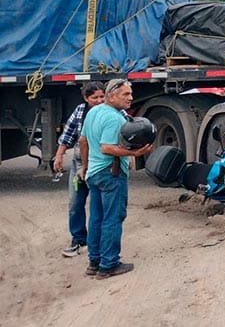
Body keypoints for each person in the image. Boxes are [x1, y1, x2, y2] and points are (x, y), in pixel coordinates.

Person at [82, 79, 152, 279]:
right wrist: (135, 154)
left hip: (94, 173)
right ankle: (109, 264)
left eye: (131, 94)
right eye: (126, 94)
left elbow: (83, 140)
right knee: (113, 218)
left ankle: (94, 262)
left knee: (96, 218)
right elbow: (107, 147)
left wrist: (85, 167)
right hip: (110, 173)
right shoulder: (114, 118)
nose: (131, 98)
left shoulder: (93, 112)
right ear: (111, 96)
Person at [53, 82, 105, 257]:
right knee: (75, 204)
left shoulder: (111, 112)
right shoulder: (80, 111)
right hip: (79, 165)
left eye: (101, 97)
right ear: (86, 98)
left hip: (99, 166)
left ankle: (98, 243)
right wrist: (59, 155)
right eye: (94, 98)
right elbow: (68, 135)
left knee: (99, 206)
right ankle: (78, 239)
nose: (98, 101)